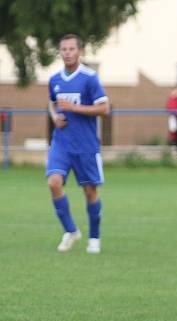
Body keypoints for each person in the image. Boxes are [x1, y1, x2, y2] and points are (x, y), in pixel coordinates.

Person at [46, 34, 110, 254]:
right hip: (61, 143)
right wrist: (54, 116)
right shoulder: (54, 80)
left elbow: (104, 108)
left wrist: (75, 109)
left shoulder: (90, 78)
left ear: (79, 51)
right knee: (54, 183)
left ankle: (94, 238)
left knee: (90, 192)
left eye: (71, 49)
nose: (67, 52)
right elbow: (52, 104)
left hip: (86, 146)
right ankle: (71, 230)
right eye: (63, 49)